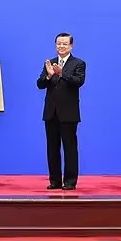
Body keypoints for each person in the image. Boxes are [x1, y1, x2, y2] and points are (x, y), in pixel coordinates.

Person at [36, 32, 86, 190]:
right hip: (51, 112)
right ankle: (55, 181)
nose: (61, 46)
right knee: (52, 148)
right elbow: (40, 84)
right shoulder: (50, 63)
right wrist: (49, 76)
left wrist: (62, 73)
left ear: (71, 46)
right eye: (59, 43)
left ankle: (70, 182)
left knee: (70, 148)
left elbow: (79, 81)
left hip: (69, 113)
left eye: (65, 43)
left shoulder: (78, 63)